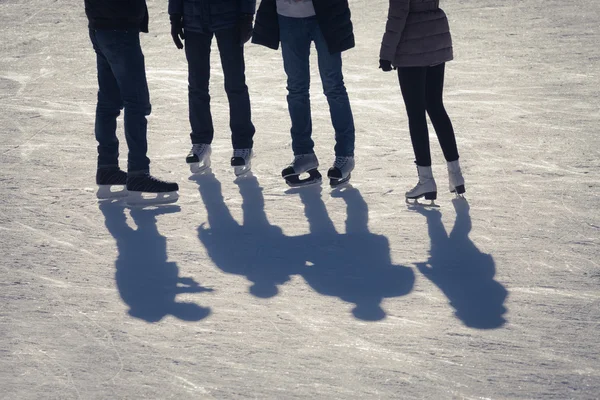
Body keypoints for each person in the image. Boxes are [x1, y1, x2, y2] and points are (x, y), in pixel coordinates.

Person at [252, 0, 356, 187]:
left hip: (324, 14)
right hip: (287, 17)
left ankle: (345, 154)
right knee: (296, 89)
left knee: (333, 87)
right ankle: (303, 153)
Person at [85, 0, 179, 205]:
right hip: (119, 27)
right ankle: (138, 174)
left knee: (108, 101)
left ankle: (107, 169)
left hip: (100, 25)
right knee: (136, 102)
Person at [379, 0, 465, 203]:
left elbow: (398, 13)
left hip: (412, 44)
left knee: (416, 114)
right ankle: (456, 175)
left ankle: (426, 179)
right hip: (435, 36)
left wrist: (386, 54)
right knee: (435, 106)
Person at [169, 0, 257, 177]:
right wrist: (175, 15)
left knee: (235, 84)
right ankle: (201, 141)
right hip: (193, 18)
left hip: (229, 17)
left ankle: (242, 145)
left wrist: (247, 15)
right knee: (197, 85)